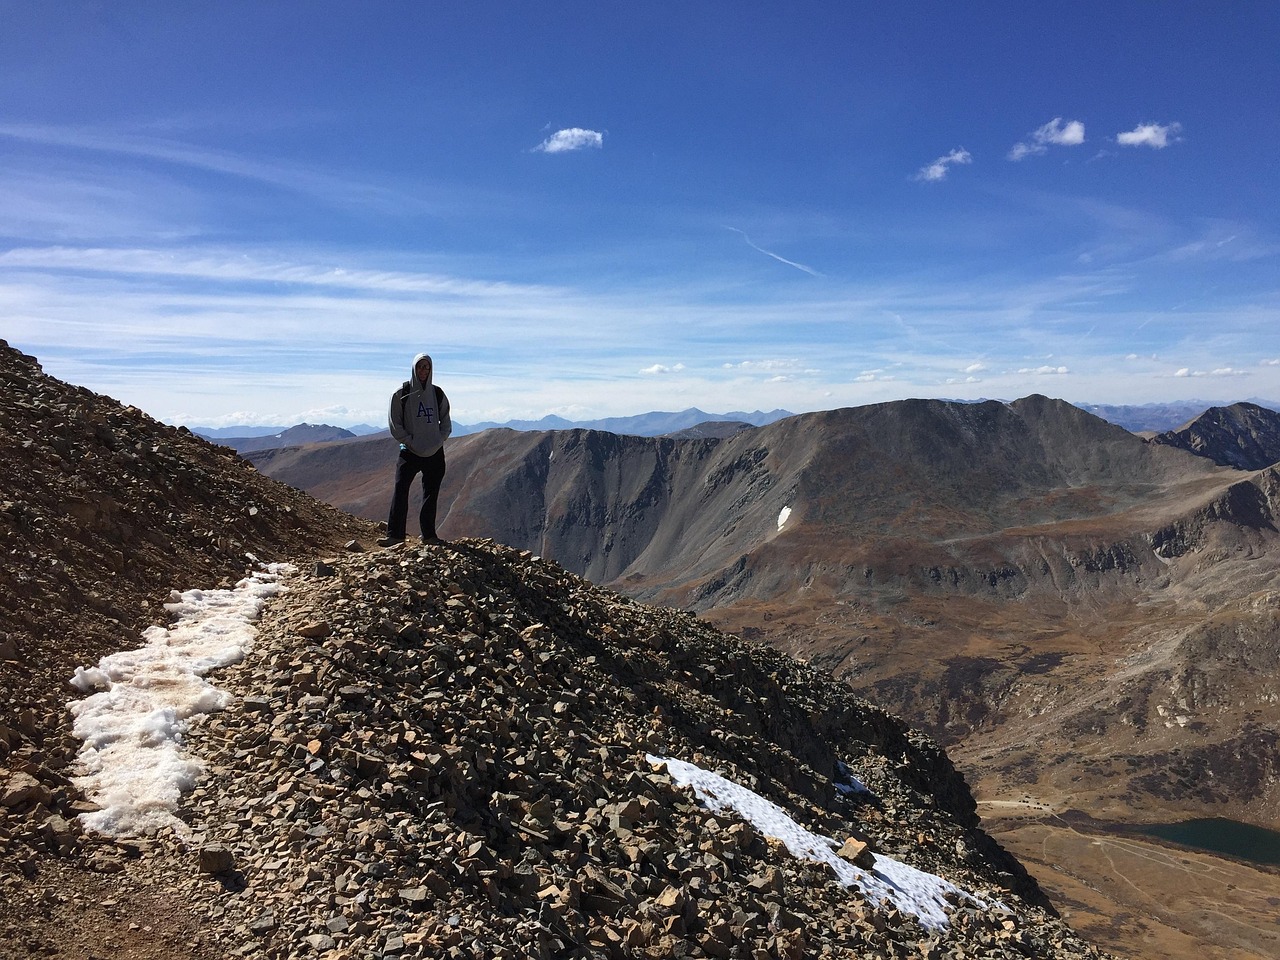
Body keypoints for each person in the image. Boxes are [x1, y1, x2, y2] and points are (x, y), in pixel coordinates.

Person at [380, 352, 452, 546]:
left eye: (426, 367)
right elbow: (395, 424)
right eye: (420, 367)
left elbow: (445, 421)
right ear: (414, 368)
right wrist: (409, 441)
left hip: (435, 451)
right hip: (409, 451)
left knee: (431, 492)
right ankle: (395, 535)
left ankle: (429, 535)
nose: (423, 371)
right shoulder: (401, 393)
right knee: (401, 489)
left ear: (431, 369)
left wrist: (439, 440)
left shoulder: (437, 394)